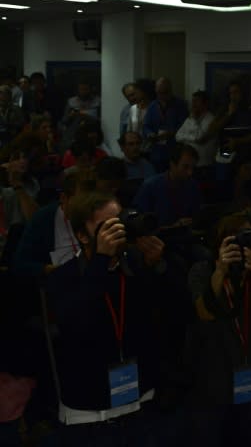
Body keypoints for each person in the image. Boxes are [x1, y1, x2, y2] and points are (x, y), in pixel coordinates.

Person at [43, 191, 171, 446]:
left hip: (142, 403)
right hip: (90, 415)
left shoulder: (134, 265)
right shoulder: (62, 278)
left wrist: (155, 268)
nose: (117, 232)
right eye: (107, 226)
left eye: (119, 222)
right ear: (82, 235)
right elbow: (78, 325)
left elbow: (169, 317)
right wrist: (100, 260)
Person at [183, 212, 251, 447]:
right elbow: (204, 314)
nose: (243, 244)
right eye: (236, 239)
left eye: (248, 235)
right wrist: (221, 271)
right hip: (213, 382)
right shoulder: (202, 271)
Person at [143, 77, 188, 172]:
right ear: (156, 91)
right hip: (156, 151)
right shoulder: (152, 106)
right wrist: (149, 134)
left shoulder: (180, 105)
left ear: (171, 90)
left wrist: (171, 133)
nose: (162, 95)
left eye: (165, 92)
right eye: (159, 93)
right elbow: (146, 126)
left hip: (174, 149)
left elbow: (184, 126)